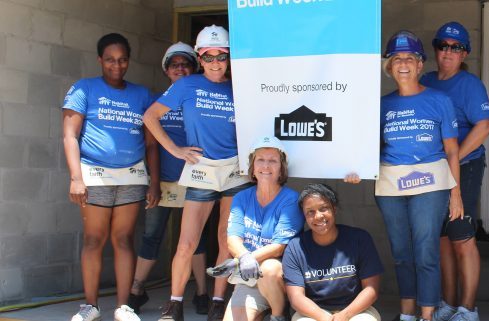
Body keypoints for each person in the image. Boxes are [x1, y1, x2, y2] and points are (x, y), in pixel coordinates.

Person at [144, 25, 252, 321]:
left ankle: (218, 300)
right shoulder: (186, 85)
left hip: (235, 170)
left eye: (222, 56)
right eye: (209, 56)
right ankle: (174, 303)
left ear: (230, 57)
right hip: (202, 168)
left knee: (224, 239)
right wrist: (176, 150)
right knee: (186, 242)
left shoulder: (240, 86)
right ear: (199, 58)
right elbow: (150, 117)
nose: (216, 62)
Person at [62, 33, 155, 321]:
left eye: (123, 59)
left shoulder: (142, 95)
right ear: (100, 60)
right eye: (111, 59)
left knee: (124, 240)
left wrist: (155, 180)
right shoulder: (84, 89)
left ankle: (123, 306)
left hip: (131, 177)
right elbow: (69, 135)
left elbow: (152, 143)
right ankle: (90, 306)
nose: (117, 65)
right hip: (95, 175)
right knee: (93, 240)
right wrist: (76, 178)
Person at [372, 30, 463, 321]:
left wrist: (456, 192)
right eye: (396, 58)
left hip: (431, 182)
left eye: (409, 58)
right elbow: (368, 148)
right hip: (390, 184)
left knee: (426, 251)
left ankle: (427, 314)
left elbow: (452, 151)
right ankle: (407, 313)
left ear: (420, 64)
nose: (403, 64)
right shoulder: (381, 105)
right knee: (401, 252)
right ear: (388, 66)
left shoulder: (439, 100)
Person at [128, 41, 211, 315]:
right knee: (152, 236)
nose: (180, 69)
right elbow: (151, 143)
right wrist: (153, 182)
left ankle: (201, 293)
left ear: (194, 68)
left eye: (186, 64)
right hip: (164, 180)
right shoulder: (157, 101)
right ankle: (136, 291)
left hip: (195, 179)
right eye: (174, 64)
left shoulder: (201, 97)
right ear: (166, 70)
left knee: (195, 239)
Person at [419, 21, 489, 321]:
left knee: (462, 236)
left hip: (466, 165)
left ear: (465, 54)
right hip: (433, 171)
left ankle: (468, 309)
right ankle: (448, 303)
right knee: (442, 239)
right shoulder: (426, 80)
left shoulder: (470, 84)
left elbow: (485, 126)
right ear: (435, 49)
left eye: (456, 47)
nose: (448, 52)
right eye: (443, 45)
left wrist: (454, 159)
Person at [216, 136, 303, 321]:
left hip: (277, 276)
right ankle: (262, 310)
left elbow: (280, 247)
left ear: (282, 168)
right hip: (248, 274)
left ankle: (279, 315)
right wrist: (245, 258)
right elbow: (233, 238)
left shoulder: (291, 199)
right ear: (252, 167)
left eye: (273, 161)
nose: (266, 166)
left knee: (269, 268)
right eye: (260, 160)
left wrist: (240, 261)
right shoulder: (241, 197)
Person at [283, 184, 384, 321]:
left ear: (334, 209)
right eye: (310, 212)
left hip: (356, 310)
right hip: (313, 312)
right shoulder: (295, 247)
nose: (318, 216)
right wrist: (324, 318)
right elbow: (296, 297)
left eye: (324, 209)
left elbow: (371, 290)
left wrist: (344, 315)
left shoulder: (359, 239)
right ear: (304, 216)